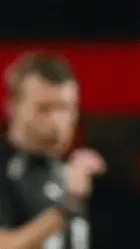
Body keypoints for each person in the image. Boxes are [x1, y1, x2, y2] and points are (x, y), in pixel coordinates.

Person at [0, 52, 104, 249]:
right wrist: (66, 206)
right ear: (12, 107)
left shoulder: (73, 173)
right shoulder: (5, 168)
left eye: (65, 108)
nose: (56, 121)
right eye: (44, 109)